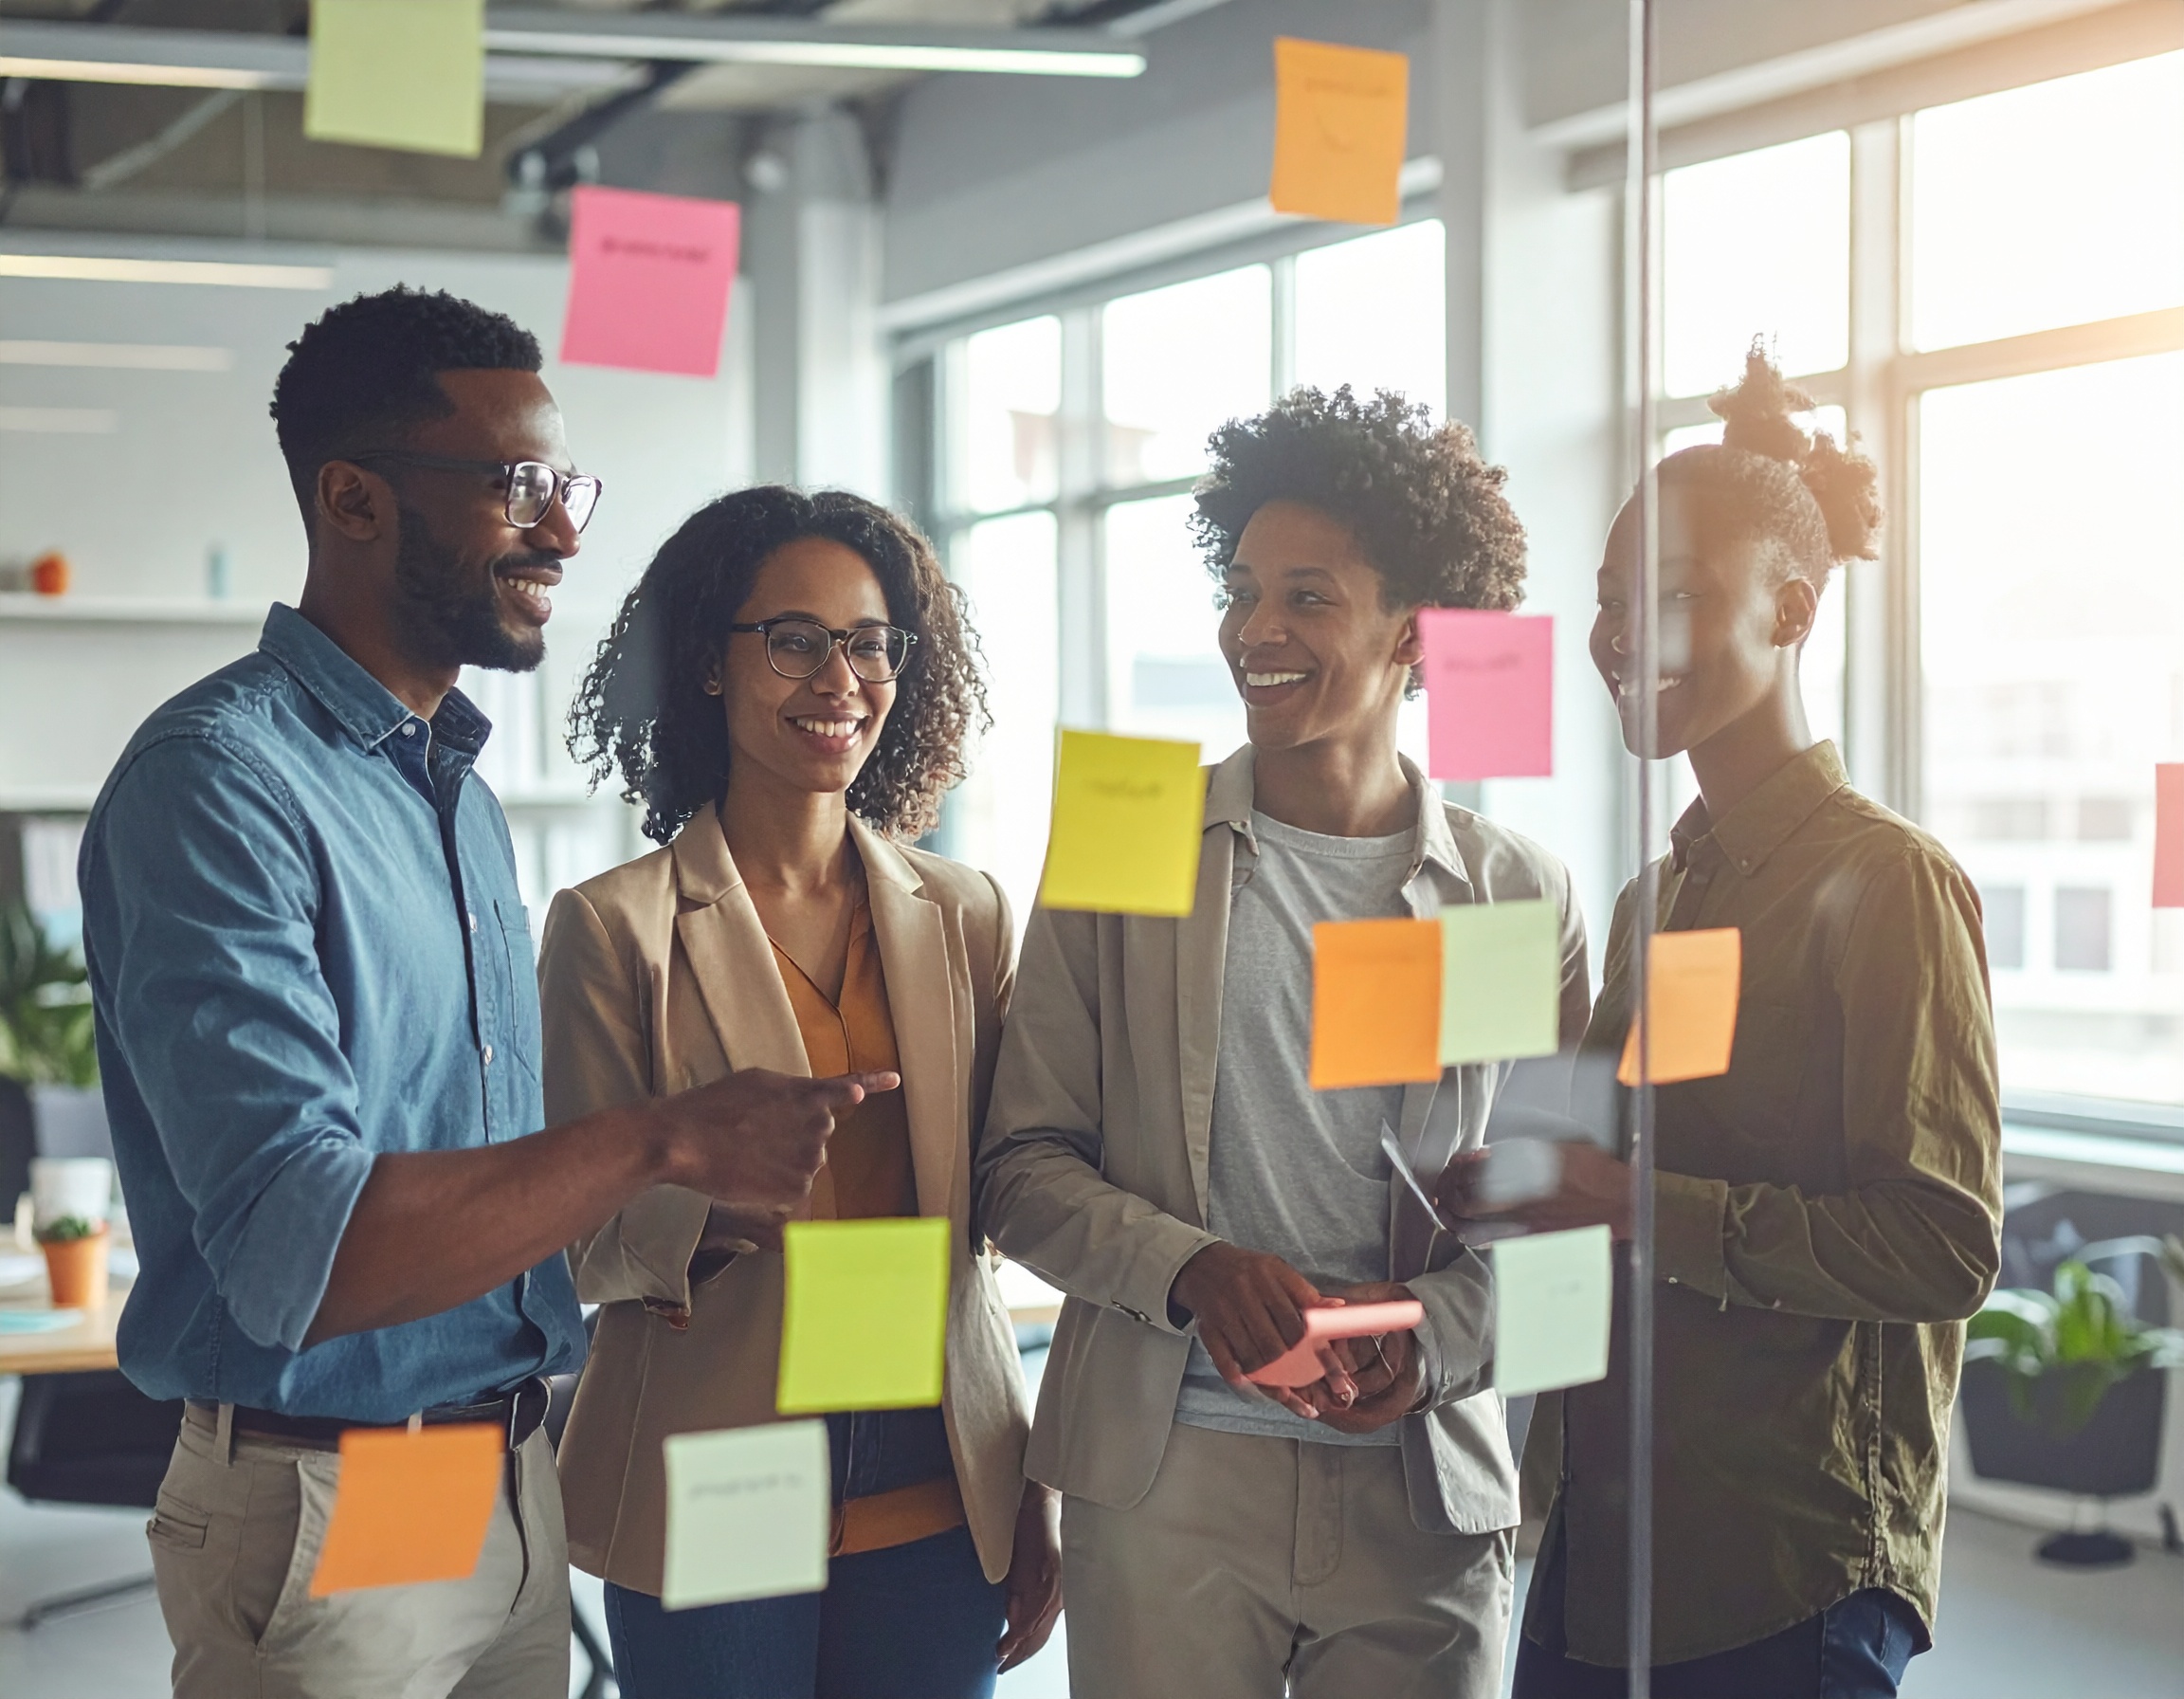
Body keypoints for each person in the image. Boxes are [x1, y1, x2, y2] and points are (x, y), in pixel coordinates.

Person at [78, 287, 889, 1699]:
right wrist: (665, 1138)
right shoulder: (219, 785)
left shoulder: (452, 789)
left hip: (508, 1477)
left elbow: (482, 1191)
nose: (563, 531)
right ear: (353, 499)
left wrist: (665, 1227)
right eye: (516, 487)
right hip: (331, 1492)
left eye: (562, 485)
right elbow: (303, 1250)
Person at [978, 387, 1592, 1699]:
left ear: (1416, 633)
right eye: (1243, 589)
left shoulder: (1517, 894)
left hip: (1424, 1496)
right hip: (1168, 1476)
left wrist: (1437, 1338)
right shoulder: (1126, 836)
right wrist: (1193, 1269)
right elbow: (1018, 1164)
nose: (1256, 629)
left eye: (1308, 596)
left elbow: (1559, 1230)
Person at [1446, 349, 2003, 1698]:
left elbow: (1943, 1247)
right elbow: (1621, 1165)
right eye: (1608, 602)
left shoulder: (1889, 884)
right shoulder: (1656, 897)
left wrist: (1635, 1203)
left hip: (1782, 1564)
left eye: (1678, 597)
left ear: (1793, 609)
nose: (1624, 636)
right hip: (1603, 1531)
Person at [541, 485, 1062, 1699]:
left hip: (939, 1465)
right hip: (726, 1453)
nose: (841, 678)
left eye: (870, 642)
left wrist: (1031, 1484)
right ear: (710, 665)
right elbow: (570, 1232)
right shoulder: (615, 929)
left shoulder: (966, 911)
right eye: (794, 640)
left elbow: (998, 1204)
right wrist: (705, 1211)